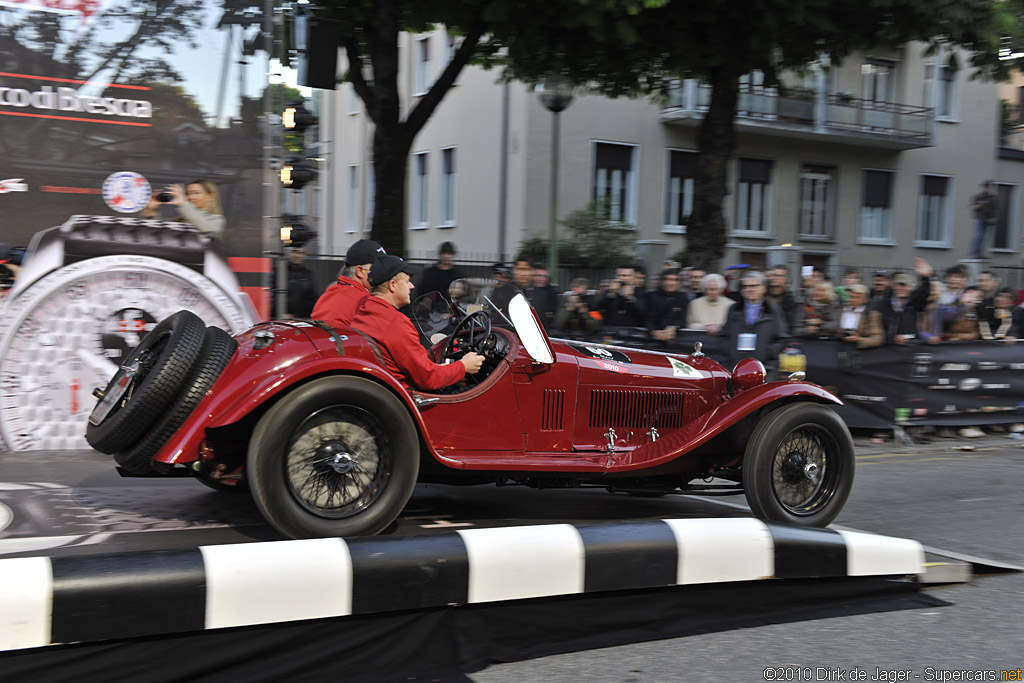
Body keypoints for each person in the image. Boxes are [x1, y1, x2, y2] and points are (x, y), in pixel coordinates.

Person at [351, 255, 484, 391]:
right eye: (407, 281)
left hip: (383, 390)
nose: (412, 286)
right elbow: (428, 378)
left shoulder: (364, 312)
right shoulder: (394, 322)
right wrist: (464, 365)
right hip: (408, 395)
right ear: (393, 285)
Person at [720, 270, 790, 368]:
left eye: (754, 286)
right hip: (735, 366)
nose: (749, 289)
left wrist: (767, 353)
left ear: (764, 288)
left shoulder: (773, 311)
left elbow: (782, 339)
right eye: (745, 286)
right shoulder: (734, 309)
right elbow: (724, 335)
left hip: (764, 368)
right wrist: (730, 352)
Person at [311, 239, 386, 328]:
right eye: (379, 267)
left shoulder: (331, 292)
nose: (384, 271)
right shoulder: (364, 303)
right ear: (360, 271)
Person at [870, 258, 932, 345]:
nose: (901, 288)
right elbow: (877, 329)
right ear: (893, 287)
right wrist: (892, 338)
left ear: (911, 288)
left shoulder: (913, 304)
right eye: (899, 285)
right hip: (886, 348)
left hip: (909, 347)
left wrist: (926, 278)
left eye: (905, 285)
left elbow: (923, 295)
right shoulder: (882, 304)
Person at [143, 179, 225, 239]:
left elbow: (207, 229)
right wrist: (151, 211)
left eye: (196, 193)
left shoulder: (217, 219)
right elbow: (158, 235)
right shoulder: (180, 220)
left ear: (210, 197)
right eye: (188, 193)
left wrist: (183, 203)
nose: (190, 197)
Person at [646, 269, 689, 342]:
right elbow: (648, 318)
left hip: (676, 339)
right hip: (653, 339)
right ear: (662, 281)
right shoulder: (650, 296)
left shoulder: (682, 297)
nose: (670, 283)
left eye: (674, 280)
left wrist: (674, 327)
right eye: (667, 279)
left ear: (679, 283)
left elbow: (683, 318)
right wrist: (654, 332)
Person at [838, 284, 883, 349]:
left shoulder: (872, 315)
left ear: (865, 300)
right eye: (850, 296)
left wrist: (859, 339)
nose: (852, 300)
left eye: (856, 297)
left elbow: (878, 339)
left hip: (859, 350)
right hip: (837, 347)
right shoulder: (840, 310)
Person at [284, 247, 318, 319]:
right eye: (294, 252)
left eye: (300, 253)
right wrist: (282, 313)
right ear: (288, 253)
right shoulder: (280, 272)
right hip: (282, 319)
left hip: (302, 320)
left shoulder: (307, 274)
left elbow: (312, 298)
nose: (297, 255)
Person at [969, 180, 998, 258]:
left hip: (988, 219)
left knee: (984, 237)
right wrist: (980, 204)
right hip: (979, 218)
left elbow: (994, 209)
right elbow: (972, 207)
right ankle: (975, 252)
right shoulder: (978, 197)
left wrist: (994, 218)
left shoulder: (992, 198)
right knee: (979, 235)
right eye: (986, 187)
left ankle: (980, 253)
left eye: (988, 187)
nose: (987, 188)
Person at [527, 264, 559, 329]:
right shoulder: (526, 289)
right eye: (538, 275)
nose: (541, 279)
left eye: (544, 276)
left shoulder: (552, 291)